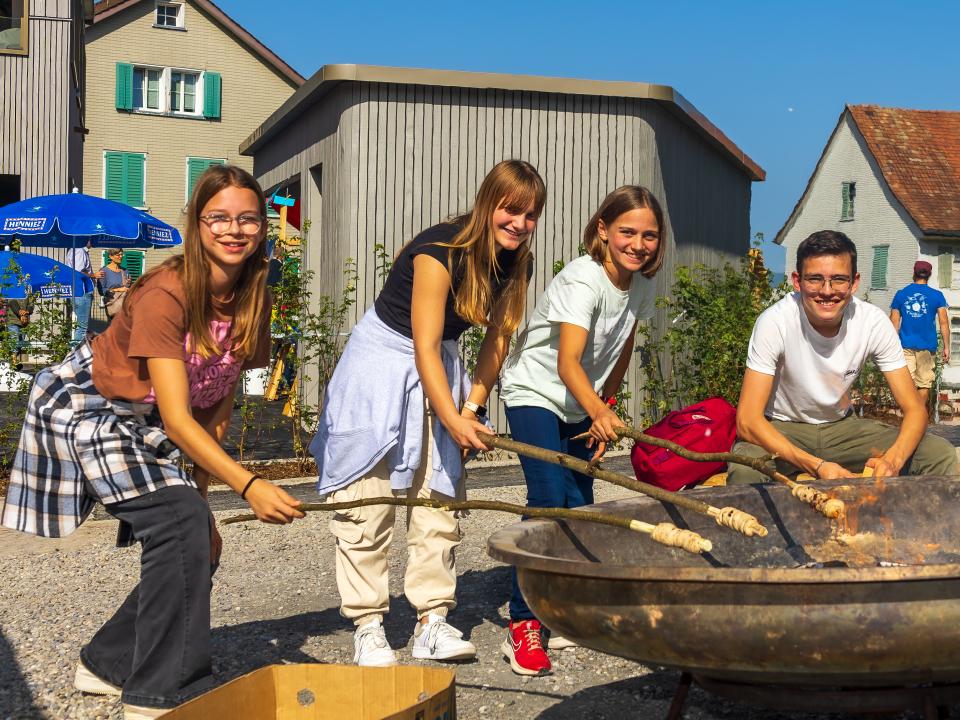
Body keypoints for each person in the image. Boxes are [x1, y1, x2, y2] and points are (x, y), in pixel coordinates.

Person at [1, 165, 304, 719]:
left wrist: (207, 497)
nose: (233, 230)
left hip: (157, 416)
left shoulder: (253, 296)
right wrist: (250, 485)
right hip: (91, 405)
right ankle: (154, 697)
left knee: (196, 535)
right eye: (219, 218)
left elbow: (216, 402)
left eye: (247, 218)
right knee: (176, 521)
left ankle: (106, 662)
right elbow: (178, 417)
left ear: (263, 227)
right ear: (197, 223)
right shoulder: (166, 292)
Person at [310, 159, 545, 667]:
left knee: (439, 494)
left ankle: (431, 618)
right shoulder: (440, 250)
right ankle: (369, 623)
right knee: (365, 498)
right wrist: (452, 417)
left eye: (531, 215)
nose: (520, 223)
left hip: (440, 363)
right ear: (488, 203)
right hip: (383, 361)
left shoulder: (516, 261)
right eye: (511, 210)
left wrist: (471, 407)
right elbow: (422, 341)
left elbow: (498, 337)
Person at [497, 185, 665, 675]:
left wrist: (604, 408)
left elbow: (621, 347)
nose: (638, 244)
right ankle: (524, 623)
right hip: (536, 392)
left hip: (581, 402)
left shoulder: (641, 284)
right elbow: (568, 362)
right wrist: (597, 410)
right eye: (627, 232)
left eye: (649, 235)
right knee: (548, 498)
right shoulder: (582, 280)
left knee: (580, 505)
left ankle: (562, 607)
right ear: (603, 231)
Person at [729, 230, 956, 486]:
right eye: (815, 279)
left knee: (938, 453)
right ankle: (762, 527)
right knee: (746, 470)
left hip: (843, 429)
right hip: (782, 427)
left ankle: (923, 526)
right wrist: (818, 466)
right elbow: (747, 421)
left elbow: (915, 409)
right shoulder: (775, 322)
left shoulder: (871, 322)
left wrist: (893, 459)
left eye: (838, 279)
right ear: (797, 281)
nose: (827, 291)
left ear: (854, 282)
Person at [890, 260, 949, 405]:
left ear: (914, 272)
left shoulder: (901, 294)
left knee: (906, 383)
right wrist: (947, 347)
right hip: (927, 347)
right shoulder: (937, 295)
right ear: (929, 275)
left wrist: (889, 346)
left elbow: (894, 323)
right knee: (923, 383)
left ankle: (910, 415)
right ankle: (918, 415)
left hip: (905, 346)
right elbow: (944, 322)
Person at [65, 238, 104, 346]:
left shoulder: (75, 251)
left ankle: (75, 351)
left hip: (78, 292)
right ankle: (77, 354)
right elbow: (78, 271)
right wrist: (94, 275)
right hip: (82, 292)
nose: (94, 241)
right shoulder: (80, 251)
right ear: (86, 240)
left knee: (79, 326)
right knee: (82, 327)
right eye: (92, 239)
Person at [99, 248, 132, 321]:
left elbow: (127, 287)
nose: (121, 256)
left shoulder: (125, 271)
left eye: (121, 254)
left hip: (125, 306)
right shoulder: (104, 271)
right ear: (111, 256)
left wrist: (128, 283)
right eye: (118, 255)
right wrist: (118, 289)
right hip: (113, 305)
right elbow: (102, 291)